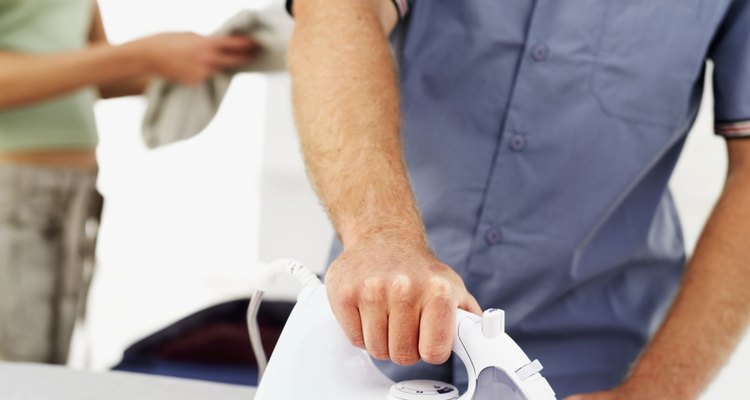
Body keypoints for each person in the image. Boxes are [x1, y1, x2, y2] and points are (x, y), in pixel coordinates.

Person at [285, 0, 750, 398]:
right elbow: (338, 11)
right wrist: (381, 233)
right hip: (370, 331)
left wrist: (659, 389)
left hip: (600, 360)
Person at [0, 0, 255, 364]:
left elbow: (95, 70)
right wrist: (142, 55)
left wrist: (210, 58)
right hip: (12, 190)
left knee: (42, 365)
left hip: (71, 193)